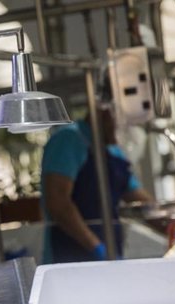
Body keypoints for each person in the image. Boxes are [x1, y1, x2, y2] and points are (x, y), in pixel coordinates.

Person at [41, 84, 152, 264]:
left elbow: (140, 201)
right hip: (70, 259)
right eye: (120, 121)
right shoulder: (69, 140)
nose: (119, 134)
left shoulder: (113, 151)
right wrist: (97, 248)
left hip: (109, 253)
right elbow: (58, 204)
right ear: (105, 112)